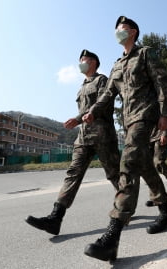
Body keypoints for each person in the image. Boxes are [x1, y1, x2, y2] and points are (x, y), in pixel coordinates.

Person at [82, 16, 167, 262]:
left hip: (146, 116)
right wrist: (92, 110)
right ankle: (166, 212)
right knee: (145, 166)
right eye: (116, 30)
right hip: (129, 121)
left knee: (129, 165)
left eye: (122, 29)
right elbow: (107, 93)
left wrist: (166, 114)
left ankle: (111, 238)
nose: (118, 33)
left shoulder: (145, 53)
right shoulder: (116, 65)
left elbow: (162, 83)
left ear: (133, 32)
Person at [25, 50, 120, 236]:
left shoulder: (102, 80)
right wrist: (78, 120)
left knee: (114, 174)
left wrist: (79, 118)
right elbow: (83, 111)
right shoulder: (81, 87)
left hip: (103, 136)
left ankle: (127, 207)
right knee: (73, 174)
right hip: (83, 137)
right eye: (80, 60)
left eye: (84, 60)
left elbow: (103, 101)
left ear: (93, 62)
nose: (81, 63)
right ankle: (55, 218)